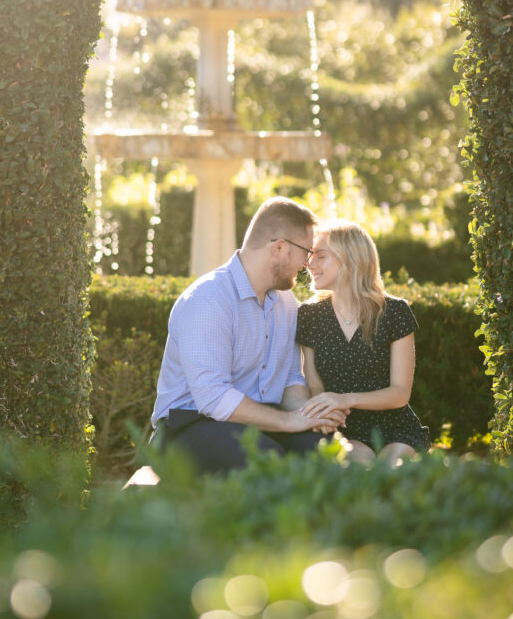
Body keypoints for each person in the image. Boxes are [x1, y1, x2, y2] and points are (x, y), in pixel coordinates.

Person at [151, 197, 348, 473]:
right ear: (279, 248)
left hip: (260, 422)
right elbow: (214, 399)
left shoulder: (286, 302)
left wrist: (308, 416)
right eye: (306, 252)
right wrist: (291, 422)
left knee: (324, 452)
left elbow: (291, 377)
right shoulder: (208, 300)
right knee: (266, 460)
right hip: (189, 426)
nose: (307, 264)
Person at [297, 220, 431, 466]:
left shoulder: (395, 312)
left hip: (396, 427)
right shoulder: (309, 316)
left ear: (350, 259)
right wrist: (328, 413)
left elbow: (400, 393)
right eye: (310, 256)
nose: (309, 263)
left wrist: (346, 399)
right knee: (362, 471)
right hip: (344, 428)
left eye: (320, 256)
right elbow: (314, 385)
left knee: (393, 470)